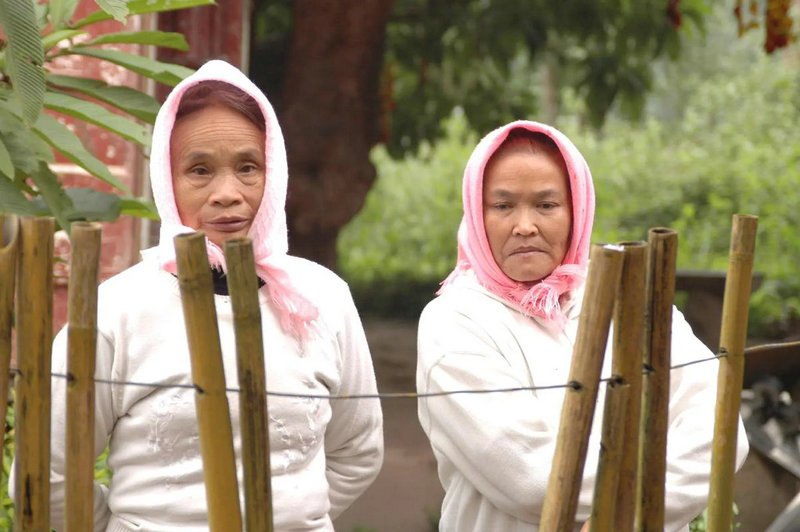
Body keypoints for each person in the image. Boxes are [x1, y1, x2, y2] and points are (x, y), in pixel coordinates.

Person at [15, 59, 383, 531]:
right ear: (167, 181)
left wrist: (298, 518)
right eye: (200, 170)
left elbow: (358, 450)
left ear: (274, 174)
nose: (227, 193)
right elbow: (47, 473)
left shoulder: (323, 298)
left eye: (248, 167)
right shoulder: (116, 312)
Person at [416, 120, 749, 532]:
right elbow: (533, 478)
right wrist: (647, 488)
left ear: (578, 210)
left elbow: (721, 430)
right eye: (502, 206)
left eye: (546, 205)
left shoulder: (631, 297)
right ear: (475, 213)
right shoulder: (456, 322)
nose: (525, 225)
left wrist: (630, 516)